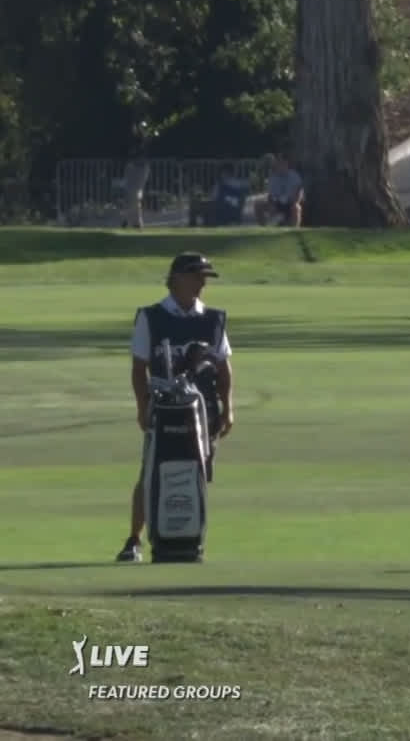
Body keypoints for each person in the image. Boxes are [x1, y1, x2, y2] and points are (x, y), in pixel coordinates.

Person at [117, 252, 235, 563]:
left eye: (204, 278)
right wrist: (143, 407)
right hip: (164, 406)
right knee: (151, 471)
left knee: (196, 473)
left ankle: (188, 537)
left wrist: (228, 408)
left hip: (203, 408)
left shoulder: (213, 319)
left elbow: (224, 368)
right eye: (197, 277)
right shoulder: (151, 317)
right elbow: (138, 367)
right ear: (177, 279)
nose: (201, 284)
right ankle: (135, 539)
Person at [254, 153, 303, 227]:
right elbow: (270, 195)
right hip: (277, 203)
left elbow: (299, 193)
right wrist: (271, 204)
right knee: (258, 205)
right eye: (278, 163)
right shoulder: (273, 178)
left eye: (282, 163)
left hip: (290, 203)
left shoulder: (295, 176)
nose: (279, 165)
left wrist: (294, 202)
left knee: (296, 207)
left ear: (286, 164)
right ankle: (263, 227)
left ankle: (294, 229)